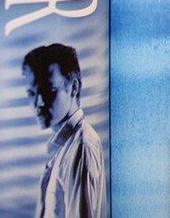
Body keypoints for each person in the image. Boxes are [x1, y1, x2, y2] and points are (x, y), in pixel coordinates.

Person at [24, 43, 108, 218]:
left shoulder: (81, 146)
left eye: (49, 90)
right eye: (32, 93)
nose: (38, 103)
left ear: (74, 87)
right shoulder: (63, 148)